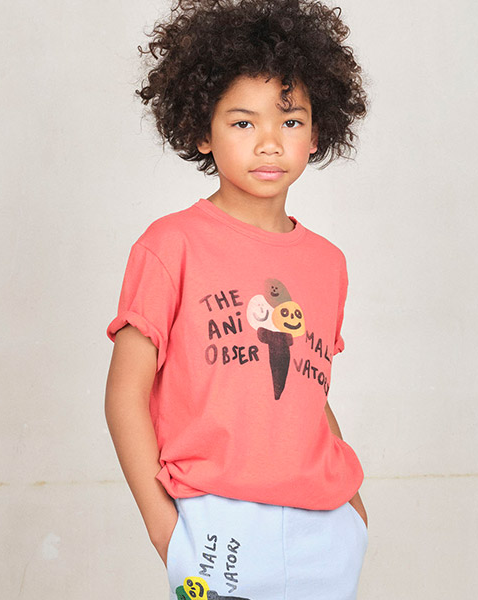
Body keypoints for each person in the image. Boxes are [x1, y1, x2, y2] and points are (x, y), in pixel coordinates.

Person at [105, 1, 370, 598]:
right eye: (243, 123)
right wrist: (166, 531)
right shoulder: (170, 245)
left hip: (326, 526)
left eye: (291, 121)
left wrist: (352, 507)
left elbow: (309, 388)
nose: (270, 143)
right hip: (215, 522)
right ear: (202, 131)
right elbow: (125, 395)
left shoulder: (327, 262)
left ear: (317, 132)